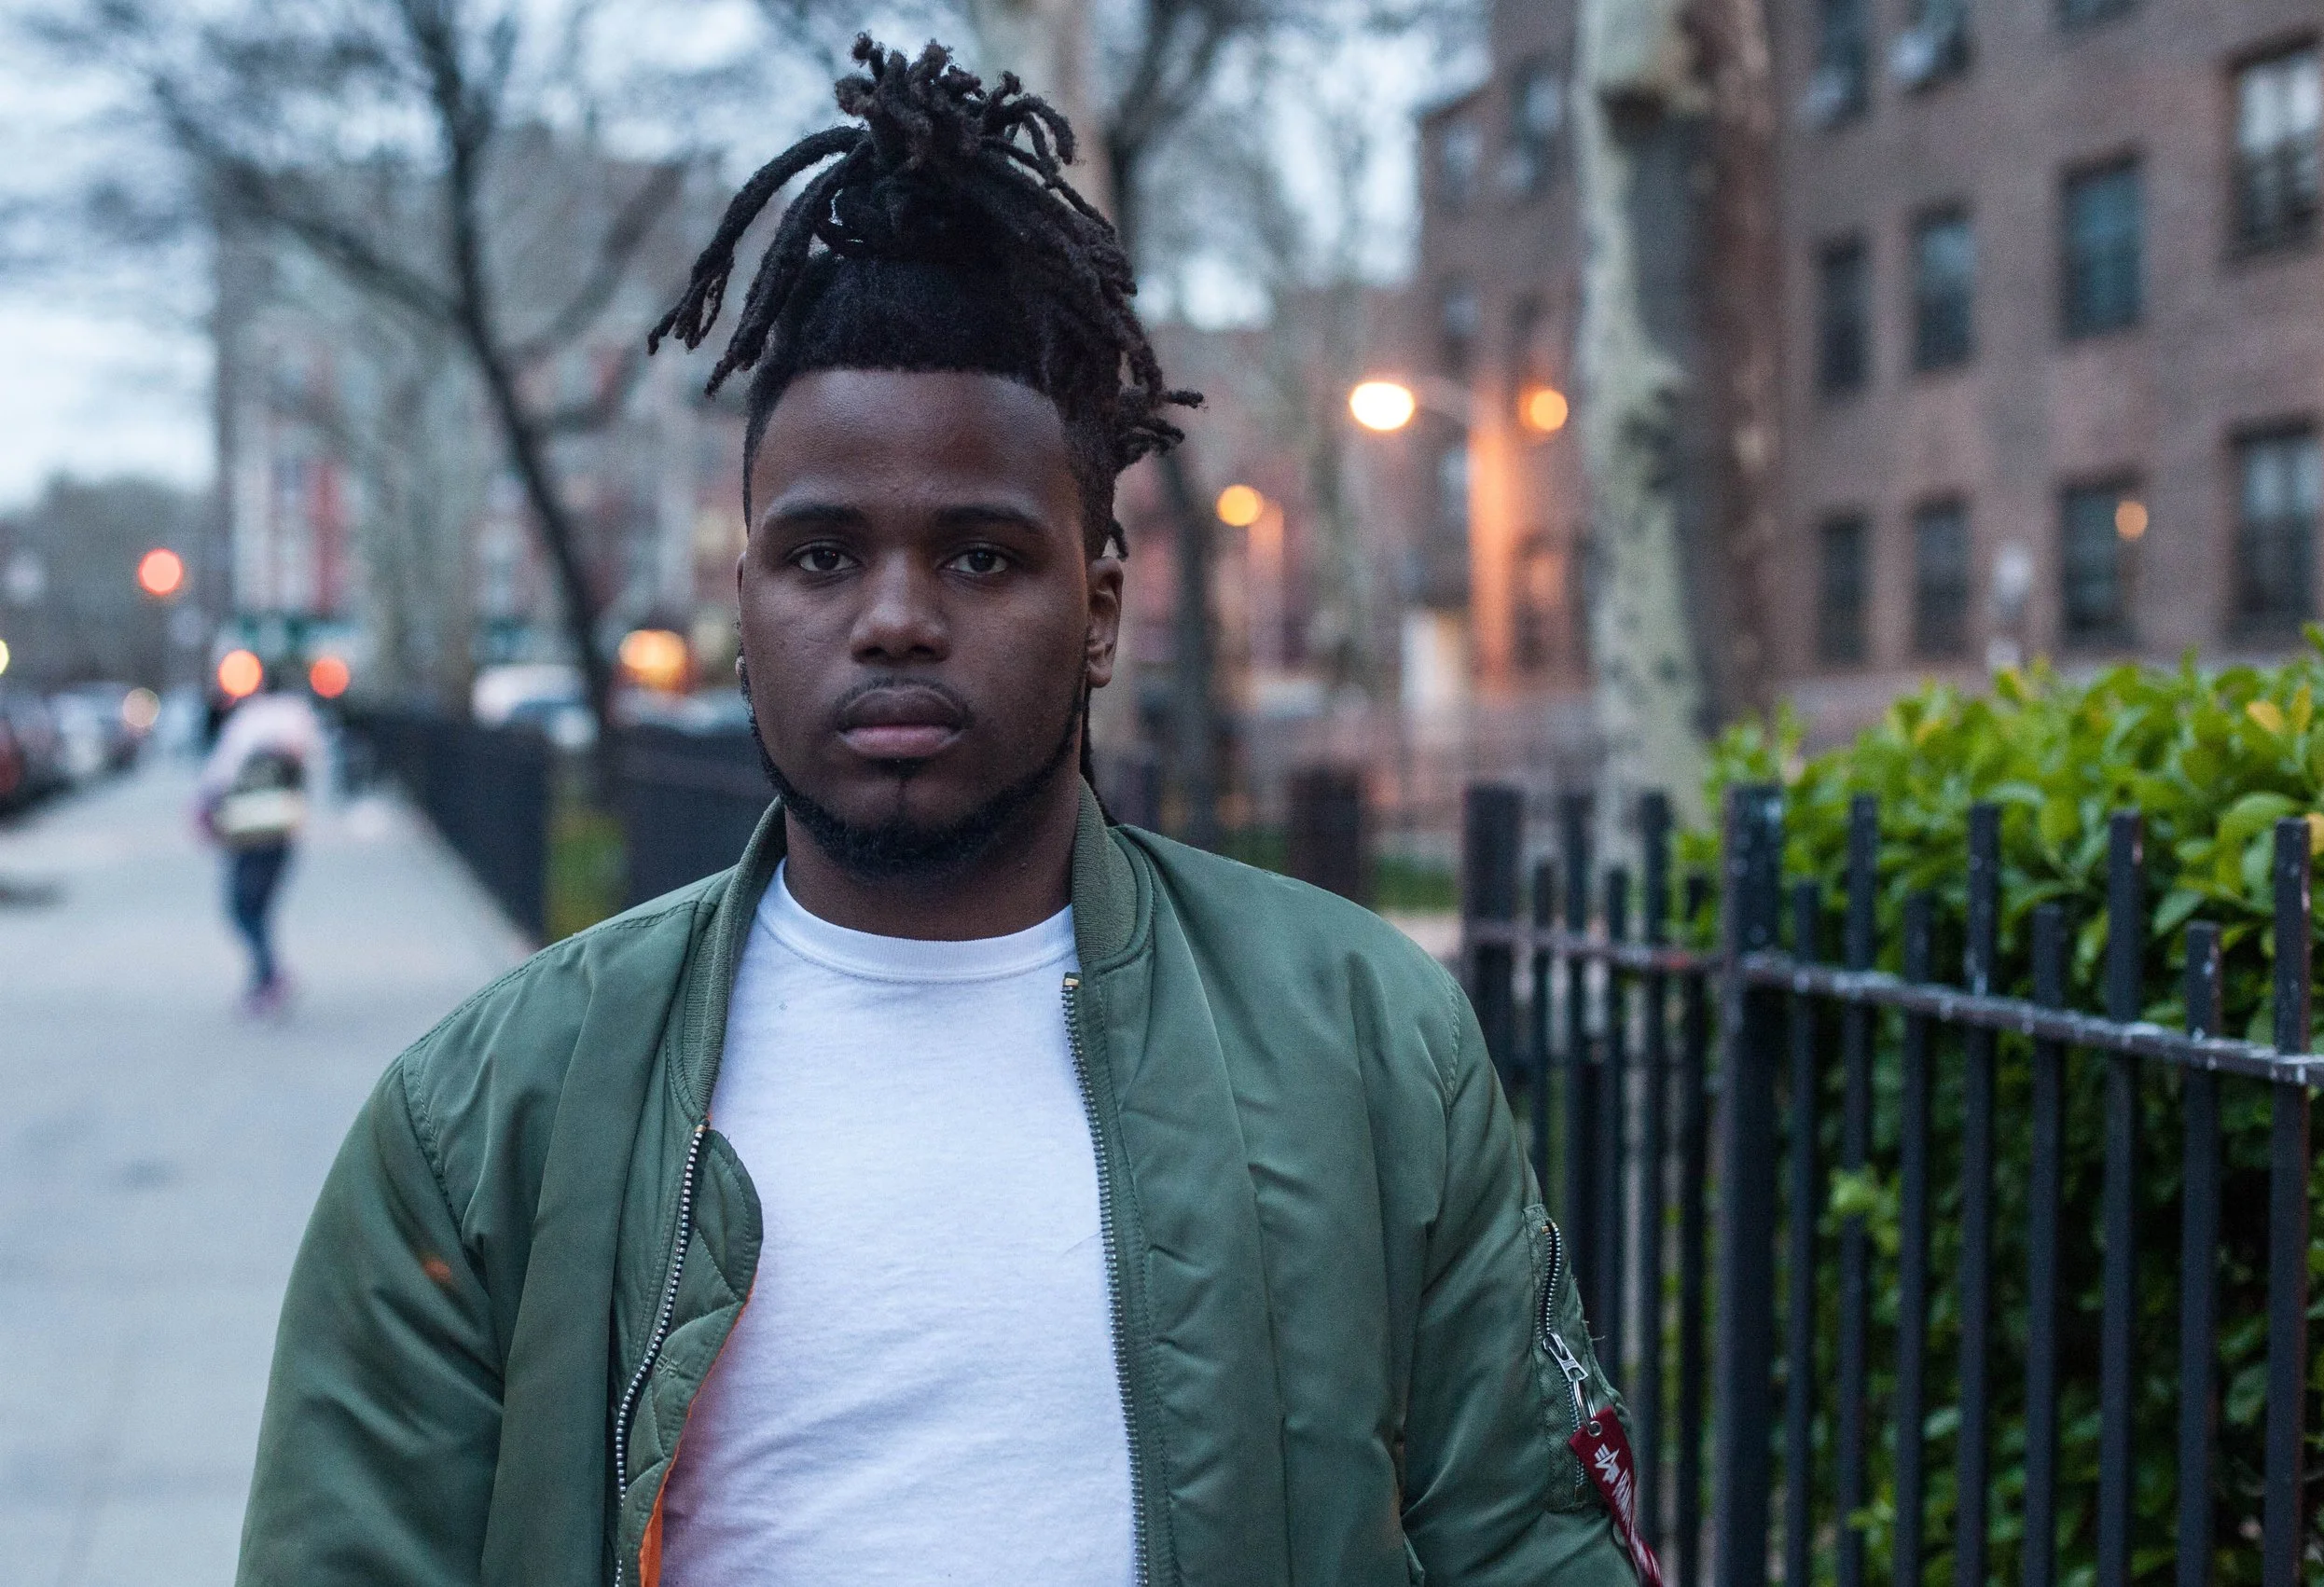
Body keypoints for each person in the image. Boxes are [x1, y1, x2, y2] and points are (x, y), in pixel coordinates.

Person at [236, 39, 1644, 1587]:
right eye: (822, 556)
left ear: (1098, 609)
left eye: (981, 555)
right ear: (745, 604)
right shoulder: (489, 1110)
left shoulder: (1363, 1038)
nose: (896, 617)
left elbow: (1530, 1545)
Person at [197, 665, 324, 1014]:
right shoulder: (299, 717)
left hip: (247, 830)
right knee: (259, 908)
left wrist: (203, 810)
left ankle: (270, 977)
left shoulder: (246, 722)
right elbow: (314, 765)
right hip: (283, 826)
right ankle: (265, 977)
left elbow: (221, 774)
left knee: (241, 909)